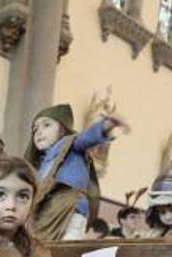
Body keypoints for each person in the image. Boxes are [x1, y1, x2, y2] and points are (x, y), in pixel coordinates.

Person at [24, 104, 127, 242]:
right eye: (35, 129)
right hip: (47, 215)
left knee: (66, 252)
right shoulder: (41, 164)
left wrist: (106, 125)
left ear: (62, 130)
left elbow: (85, 138)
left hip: (70, 210)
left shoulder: (70, 144)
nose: (39, 132)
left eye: (46, 125)